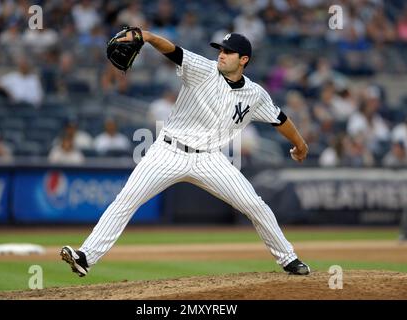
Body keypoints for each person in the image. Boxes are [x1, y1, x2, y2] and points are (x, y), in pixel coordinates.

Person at [61, 30, 310, 277]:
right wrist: (146, 36)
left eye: (228, 51)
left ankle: (288, 258)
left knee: (255, 205)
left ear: (243, 59)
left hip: (210, 158)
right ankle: (86, 257)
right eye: (220, 50)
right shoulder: (204, 68)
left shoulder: (255, 94)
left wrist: (300, 145)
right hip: (169, 150)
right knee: (127, 199)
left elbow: (280, 119)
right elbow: (173, 51)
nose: (221, 55)